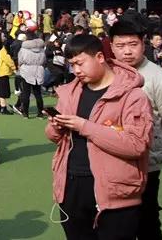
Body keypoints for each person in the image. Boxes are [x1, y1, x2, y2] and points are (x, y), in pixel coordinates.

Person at [45, 34, 153, 239]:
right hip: (71, 187)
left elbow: (136, 145)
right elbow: (53, 136)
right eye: (72, 65)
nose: (76, 70)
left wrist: (85, 126)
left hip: (115, 193)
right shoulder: (70, 92)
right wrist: (56, 126)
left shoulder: (132, 96)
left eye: (80, 63)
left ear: (100, 57)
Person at [108, 21, 162, 240]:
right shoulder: (107, 73)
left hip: (146, 164)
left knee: (147, 219)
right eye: (120, 45)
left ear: (143, 44)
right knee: (114, 221)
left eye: (133, 44)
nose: (127, 51)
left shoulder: (160, 79)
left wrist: (157, 148)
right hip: (110, 161)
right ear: (111, 46)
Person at [16, 32, 46, 118]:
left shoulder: (24, 49)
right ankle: (40, 113)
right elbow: (44, 60)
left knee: (26, 93)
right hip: (38, 70)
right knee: (38, 93)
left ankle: (26, 113)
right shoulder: (41, 49)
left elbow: (20, 60)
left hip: (26, 70)